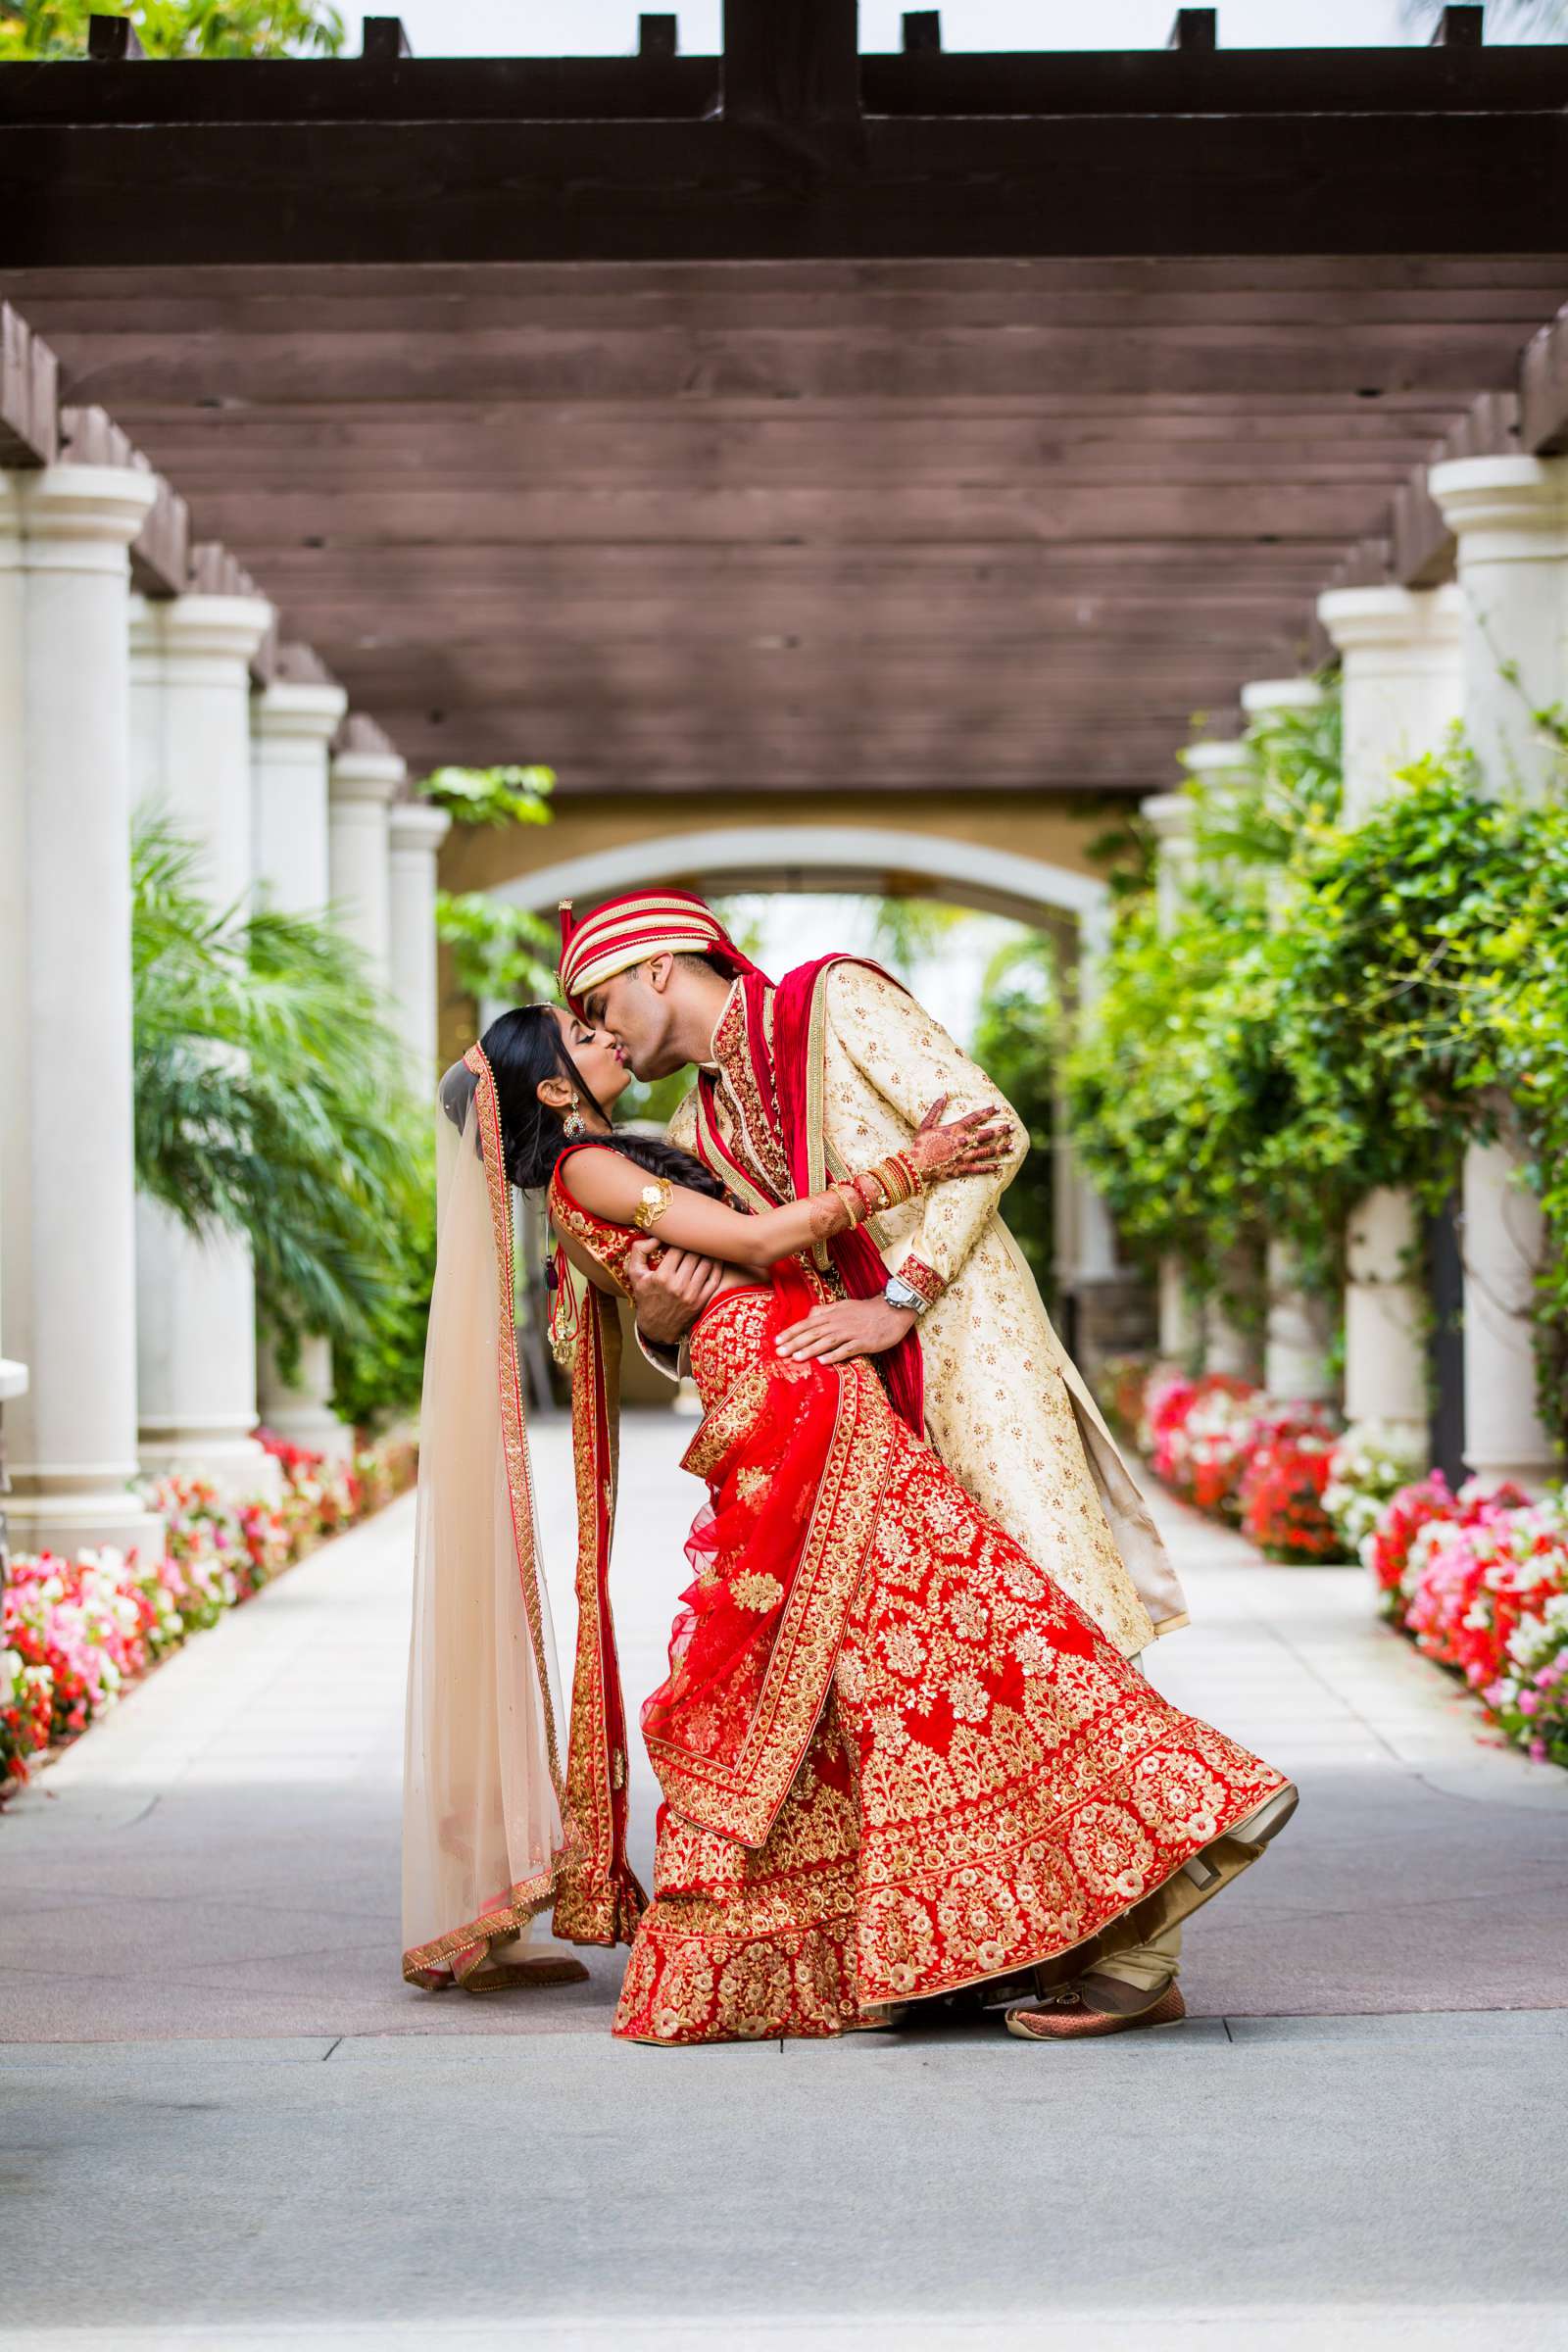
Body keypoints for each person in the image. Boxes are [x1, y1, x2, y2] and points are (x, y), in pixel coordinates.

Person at [403, 1004, 1297, 2046]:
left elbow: (715, 1269)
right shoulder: (582, 1173)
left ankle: (1117, 1855)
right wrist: (909, 1168)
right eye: (582, 1037)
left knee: (924, 1645)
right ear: (553, 1090)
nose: (605, 1039)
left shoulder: (637, 1151)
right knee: (940, 1631)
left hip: (807, 1386)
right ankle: (1132, 1845)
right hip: (787, 1399)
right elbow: (750, 1240)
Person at [556, 890, 1212, 2035]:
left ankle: (1139, 1950)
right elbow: (744, 1277)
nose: (598, 1027)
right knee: (944, 1663)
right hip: (850, 1402)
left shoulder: (832, 999)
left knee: (1049, 1609)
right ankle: (1023, 1931)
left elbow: (988, 1128)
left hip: (963, 1346)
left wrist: (900, 1299)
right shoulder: (701, 1132)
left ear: (657, 967)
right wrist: (663, 1324)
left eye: (596, 998)